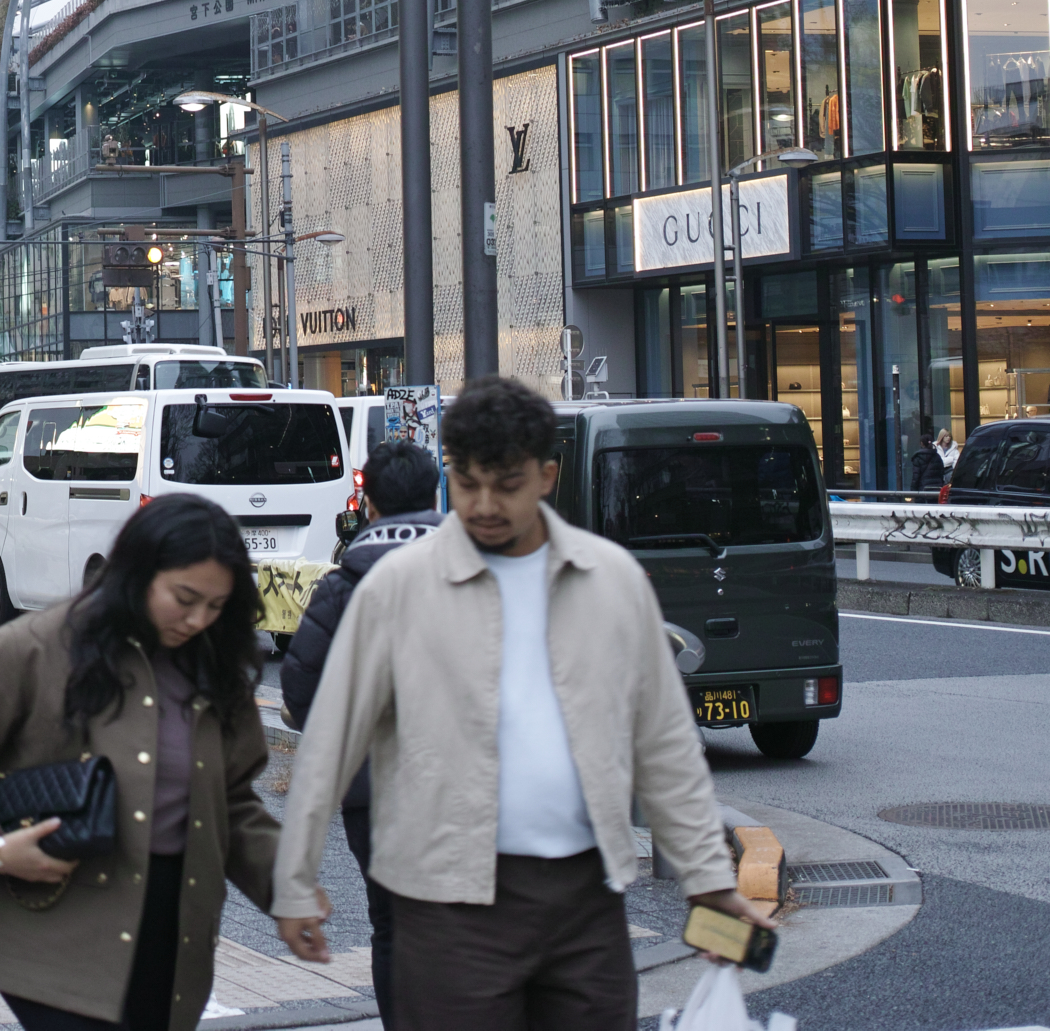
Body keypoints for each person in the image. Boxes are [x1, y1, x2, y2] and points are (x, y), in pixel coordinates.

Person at [269, 377, 768, 1031]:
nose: (483, 503)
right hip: (443, 903)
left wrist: (708, 878)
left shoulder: (610, 579)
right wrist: (295, 879)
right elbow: (331, 738)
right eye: (467, 481)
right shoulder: (399, 587)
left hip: (586, 900)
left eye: (506, 483)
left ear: (547, 474)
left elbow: (664, 742)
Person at [0, 495, 278, 1031]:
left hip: (175, 931)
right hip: (58, 924)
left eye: (217, 606)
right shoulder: (39, 645)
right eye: (184, 598)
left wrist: (288, 892)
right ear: (137, 573)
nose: (199, 619)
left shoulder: (215, 665)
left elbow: (234, 800)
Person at [274, 437, 443, 1020]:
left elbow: (298, 686)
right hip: (459, 784)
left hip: (370, 792)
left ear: (368, 504)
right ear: (435, 495)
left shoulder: (342, 587)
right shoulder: (470, 572)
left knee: (391, 921)